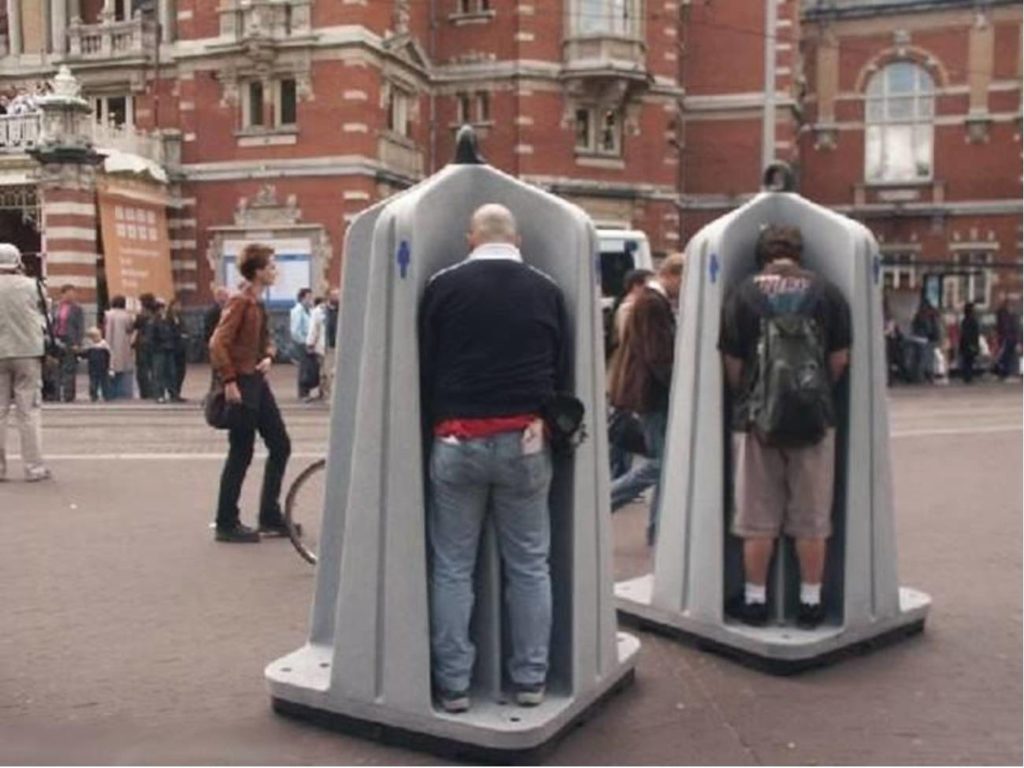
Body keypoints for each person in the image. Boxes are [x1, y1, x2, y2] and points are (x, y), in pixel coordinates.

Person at [418, 203, 570, 713]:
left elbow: (426, 364)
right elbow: (559, 365)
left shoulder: (442, 286)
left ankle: (455, 686)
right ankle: (530, 681)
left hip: (457, 438)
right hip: (525, 439)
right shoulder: (546, 289)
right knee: (529, 565)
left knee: (453, 567)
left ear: (470, 238)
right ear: (518, 238)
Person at [718, 225, 851, 629]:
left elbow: (732, 362)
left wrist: (752, 398)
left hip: (755, 422)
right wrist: (814, 395)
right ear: (800, 252)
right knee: (812, 516)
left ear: (762, 254)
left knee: (757, 517)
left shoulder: (743, 293)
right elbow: (840, 358)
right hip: (816, 420)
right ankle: (810, 602)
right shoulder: (827, 292)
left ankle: (755, 601)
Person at [209, 243, 292, 543]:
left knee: (280, 444)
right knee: (241, 451)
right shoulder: (241, 302)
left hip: (256, 380)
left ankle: (269, 515)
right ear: (258, 272)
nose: (274, 271)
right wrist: (229, 380)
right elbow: (217, 343)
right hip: (242, 384)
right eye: (270, 266)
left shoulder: (256, 303)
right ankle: (226, 521)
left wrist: (268, 354)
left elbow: (264, 339)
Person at [607, 253, 685, 545]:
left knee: (661, 462)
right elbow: (658, 354)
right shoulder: (653, 303)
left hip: (644, 392)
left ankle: (657, 530)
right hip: (652, 394)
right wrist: (677, 387)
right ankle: (609, 500)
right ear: (674, 275)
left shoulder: (648, 301)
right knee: (661, 463)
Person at [0, 243, 51, 481]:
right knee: (28, 411)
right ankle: (34, 467)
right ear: (17, 262)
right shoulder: (33, 286)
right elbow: (45, 314)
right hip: (28, 352)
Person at [52, 284, 84, 402]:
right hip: (57, 339)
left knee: (69, 368)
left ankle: (68, 395)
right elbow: (52, 322)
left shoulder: (77, 309)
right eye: (69, 293)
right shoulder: (56, 307)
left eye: (73, 293)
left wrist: (78, 343)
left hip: (70, 340)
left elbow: (80, 327)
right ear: (63, 294)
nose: (72, 296)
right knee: (56, 368)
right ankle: (55, 394)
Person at [104, 295, 135, 398]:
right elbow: (130, 329)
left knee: (110, 367)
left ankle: (110, 392)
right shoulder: (127, 315)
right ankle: (123, 392)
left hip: (109, 342)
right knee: (123, 369)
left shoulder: (108, 314)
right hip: (123, 345)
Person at [151, 298, 179, 403]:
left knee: (171, 372)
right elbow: (152, 336)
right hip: (159, 350)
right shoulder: (154, 321)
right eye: (162, 308)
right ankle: (159, 395)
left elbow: (174, 332)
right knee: (159, 373)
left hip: (168, 349)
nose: (164, 310)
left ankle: (173, 393)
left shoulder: (168, 320)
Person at [289, 287, 315, 400]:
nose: (311, 300)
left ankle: (307, 391)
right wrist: (304, 342)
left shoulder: (309, 310)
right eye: (309, 297)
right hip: (302, 343)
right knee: (304, 367)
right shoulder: (297, 311)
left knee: (310, 367)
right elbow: (295, 330)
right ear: (302, 298)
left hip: (309, 342)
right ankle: (303, 393)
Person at [132, 293, 157, 399]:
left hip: (142, 344)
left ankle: (145, 391)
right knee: (153, 368)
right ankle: (154, 390)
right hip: (153, 343)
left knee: (142, 370)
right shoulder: (155, 314)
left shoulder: (142, 315)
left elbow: (135, 326)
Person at [80, 327, 112, 402]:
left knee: (94, 382)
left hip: (93, 367)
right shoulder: (105, 346)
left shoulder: (90, 347)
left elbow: (85, 355)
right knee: (104, 382)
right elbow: (109, 356)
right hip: (102, 367)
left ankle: (94, 395)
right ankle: (106, 395)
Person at [167, 296, 189, 401]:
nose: (179, 307)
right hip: (173, 348)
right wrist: (179, 335)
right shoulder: (168, 318)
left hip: (182, 348)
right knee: (173, 372)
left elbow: (184, 328)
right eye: (176, 305)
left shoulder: (180, 317)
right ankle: (173, 393)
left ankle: (178, 392)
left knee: (181, 371)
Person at [994, 296, 1020, 380]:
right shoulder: (1004, 314)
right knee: (1004, 357)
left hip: (1008, 338)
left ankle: (1005, 373)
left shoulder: (1007, 314)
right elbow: (1007, 327)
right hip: (1007, 338)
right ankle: (1003, 373)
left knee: (1006, 357)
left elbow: (1012, 327)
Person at [958, 302, 980, 384]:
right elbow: (970, 334)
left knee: (968, 360)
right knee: (969, 361)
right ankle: (968, 377)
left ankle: (967, 376)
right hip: (970, 344)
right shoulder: (970, 320)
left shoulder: (966, 320)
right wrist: (973, 345)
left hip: (967, 344)